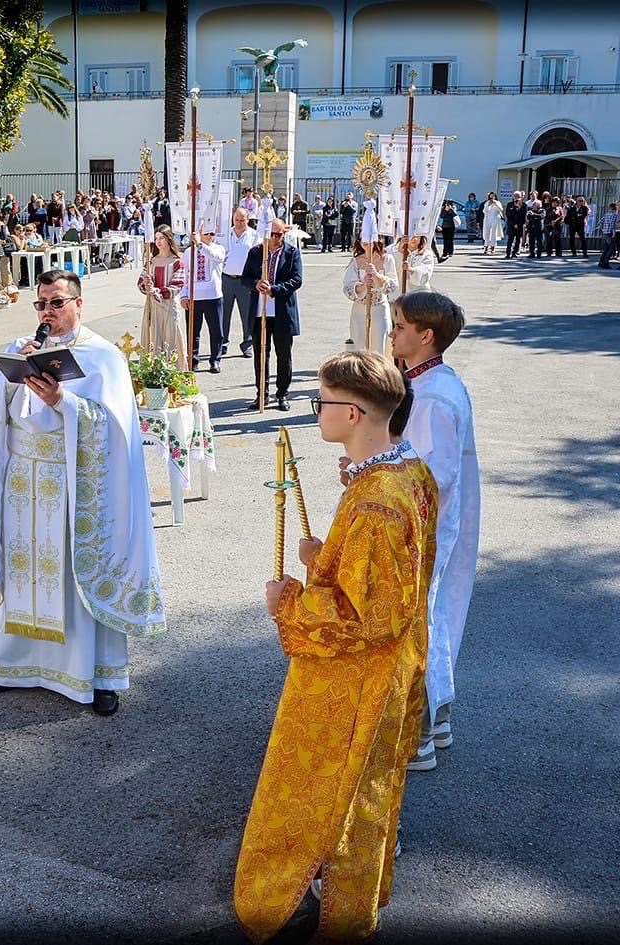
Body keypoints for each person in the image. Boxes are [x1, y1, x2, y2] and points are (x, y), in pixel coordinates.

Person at [233, 350, 436, 944]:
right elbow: (391, 578)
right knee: (363, 787)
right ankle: (340, 892)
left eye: (321, 404)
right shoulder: (408, 471)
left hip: (357, 677)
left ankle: (328, 909)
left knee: (336, 790)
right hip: (396, 662)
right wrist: (325, 556)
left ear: (352, 413)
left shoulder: (375, 501)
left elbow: (362, 615)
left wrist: (288, 601)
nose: (315, 412)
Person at [0, 269, 165, 716]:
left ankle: (96, 674)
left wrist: (64, 402)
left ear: (79, 304)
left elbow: (115, 430)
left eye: (57, 303)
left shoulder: (103, 357)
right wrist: (7, 381)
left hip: (74, 483)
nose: (48, 312)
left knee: (72, 569)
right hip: (24, 481)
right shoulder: (21, 347)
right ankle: (14, 664)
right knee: (24, 566)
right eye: (41, 304)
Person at [387, 291, 481, 773]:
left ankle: (419, 733)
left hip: (422, 528)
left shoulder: (436, 395)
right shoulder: (427, 383)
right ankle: (437, 717)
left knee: (417, 620)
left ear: (426, 336)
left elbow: (433, 474)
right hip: (424, 523)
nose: (393, 330)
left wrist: (377, 477)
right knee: (431, 612)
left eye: (400, 325)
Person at [241, 219, 302, 411]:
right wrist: (256, 284)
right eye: (273, 234)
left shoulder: (292, 253)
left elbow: (297, 280)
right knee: (261, 354)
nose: (276, 238)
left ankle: (282, 394)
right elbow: (245, 278)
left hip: (282, 311)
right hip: (261, 312)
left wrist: (274, 289)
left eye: (280, 234)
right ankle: (262, 393)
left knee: (283, 355)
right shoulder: (256, 252)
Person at [138, 226, 187, 369]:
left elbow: (177, 285)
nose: (158, 242)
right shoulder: (151, 261)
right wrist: (145, 286)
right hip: (152, 307)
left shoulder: (177, 262)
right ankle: (151, 373)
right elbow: (141, 281)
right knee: (153, 338)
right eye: (156, 238)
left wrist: (158, 291)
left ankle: (173, 374)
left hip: (168, 306)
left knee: (170, 338)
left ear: (168, 239)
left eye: (162, 238)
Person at [181, 222, 226, 373]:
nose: (210, 236)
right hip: (195, 296)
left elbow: (215, 257)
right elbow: (185, 275)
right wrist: (184, 295)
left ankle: (215, 360)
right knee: (193, 331)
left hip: (213, 295)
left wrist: (200, 244)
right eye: (206, 233)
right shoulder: (188, 252)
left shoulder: (219, 248)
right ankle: (193, 360)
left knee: (216, 331)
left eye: (212, 234)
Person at [342, 238, 396, 354]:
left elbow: (393, 286)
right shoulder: (356, 261)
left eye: (368, 238)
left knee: (379, 346)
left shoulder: (387, 259)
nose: (365, 241)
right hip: (359, 310)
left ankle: (378, 372)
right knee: (359, 345)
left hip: (380, 309)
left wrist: (377, 275)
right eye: (362, 238)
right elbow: (347, 288)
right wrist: (363, 284)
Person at [221, 208, 258, 360]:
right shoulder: (225, 234)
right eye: (237, 219)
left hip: (245, 281)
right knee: (223, 314)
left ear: (248, 220)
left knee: (247, 314)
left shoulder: (254, 236)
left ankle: (247, 344)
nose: (239, 223)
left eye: (242, 220)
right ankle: (222, 343)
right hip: (226, 279)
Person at [504, 192, 526, 258]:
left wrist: (519, 224)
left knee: (518, 240)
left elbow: (524, 216)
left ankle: (515, 252)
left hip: (519, 226)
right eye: (515, 196)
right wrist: (514, 224)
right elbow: (508, 215)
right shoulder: (510, 206)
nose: (516, 197)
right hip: (511, 226)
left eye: (518, 196)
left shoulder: (524, 205)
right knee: (510, 240)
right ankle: (508, 253)